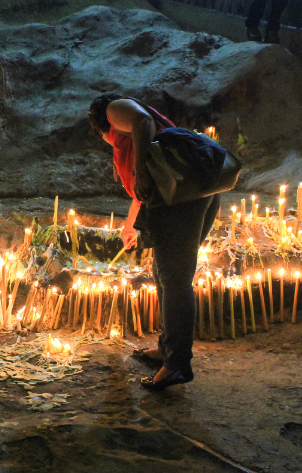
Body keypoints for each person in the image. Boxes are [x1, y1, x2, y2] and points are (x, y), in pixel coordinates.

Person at [88, 93, 220, 391]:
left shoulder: (114, 109)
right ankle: (167, 349)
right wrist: (129, 225)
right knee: (166, 275)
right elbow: (140, 193)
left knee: (174, 279)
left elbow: (142, 121)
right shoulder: (135, 140)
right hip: (188, 194)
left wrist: (143, 169)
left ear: (98, 126)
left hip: (183, 199)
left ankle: (176, 365)